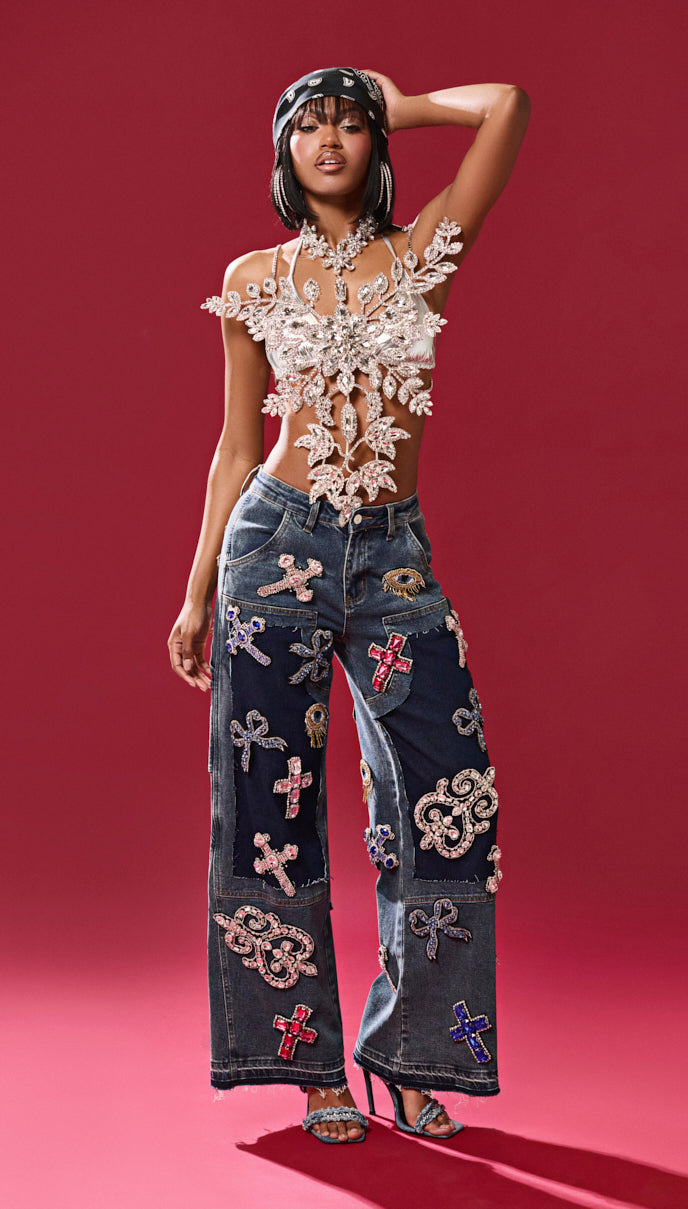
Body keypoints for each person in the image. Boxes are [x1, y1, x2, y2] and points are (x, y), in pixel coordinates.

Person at [168, 67, 529, 1144]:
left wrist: (397, 100)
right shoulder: (253, 277)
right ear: (282, 153)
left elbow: (505, 107)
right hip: (273, 549)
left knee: (448, 797)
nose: (328, 141)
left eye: (348, 125)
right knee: (268, 810)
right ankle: (307, 1064)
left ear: (375, 142)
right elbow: (236, 444)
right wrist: (195, 589)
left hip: (391, 560)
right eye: (307, 127)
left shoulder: (423, 254)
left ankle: (412, 1052)